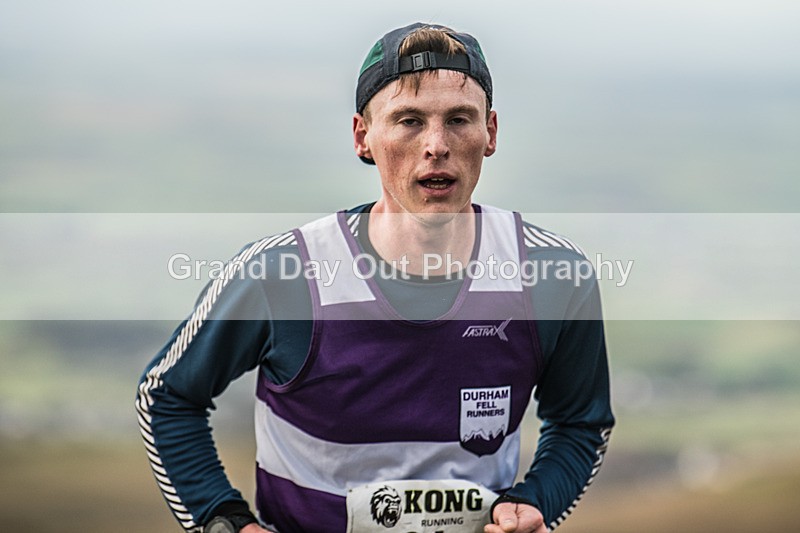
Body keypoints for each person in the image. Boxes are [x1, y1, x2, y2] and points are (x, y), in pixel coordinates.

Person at [136, 22, 614, 533]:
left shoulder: (552, 279)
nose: (436, 145)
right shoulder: (281, 275)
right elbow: (166, 396)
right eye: (409, 121)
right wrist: (222, 520)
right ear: (364, 137)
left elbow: (580, 423)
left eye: (459, 119)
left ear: (490, 133)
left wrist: (536, 501)